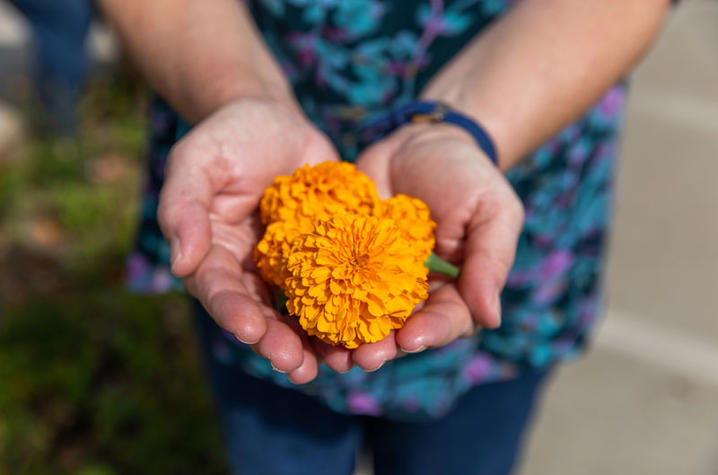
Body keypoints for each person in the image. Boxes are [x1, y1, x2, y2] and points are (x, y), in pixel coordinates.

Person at [101, 0, 671, 473]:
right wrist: (236, 96)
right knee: (273, 445)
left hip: (521, 141)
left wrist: (465, 127)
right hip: (238, 151)